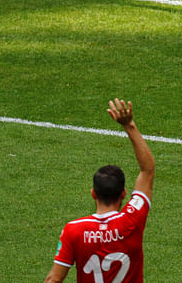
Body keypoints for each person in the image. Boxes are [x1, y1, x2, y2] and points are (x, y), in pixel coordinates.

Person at [45, 99, 155, 283]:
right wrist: (129, 126)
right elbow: (148, 170)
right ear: (123, 194)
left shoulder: (74, 230)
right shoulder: (132, 220)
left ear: (93, 193)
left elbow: (53, 280)